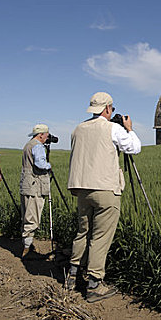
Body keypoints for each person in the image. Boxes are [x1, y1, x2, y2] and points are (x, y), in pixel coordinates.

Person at [66, 91, 141, 303]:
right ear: (107, 108)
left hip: (81, 189)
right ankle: (94, 285)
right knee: (100, 237)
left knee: (83, 232)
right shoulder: (113, 128)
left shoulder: (78, 129)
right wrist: (129, 129)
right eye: (112, 109)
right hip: (105, 190)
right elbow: (134, 148)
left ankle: (72, 275)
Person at [20, 123, 52, 258]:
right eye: (46, 135)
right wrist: (48, 165)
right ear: (41, 135)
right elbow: (40, 163)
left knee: (26, 214)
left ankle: (27, 244)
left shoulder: (28, 145)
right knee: (32, 216)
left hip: (27, 185)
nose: (47, 137)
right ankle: (27, 249)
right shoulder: (37, 146)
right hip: (35, 186)